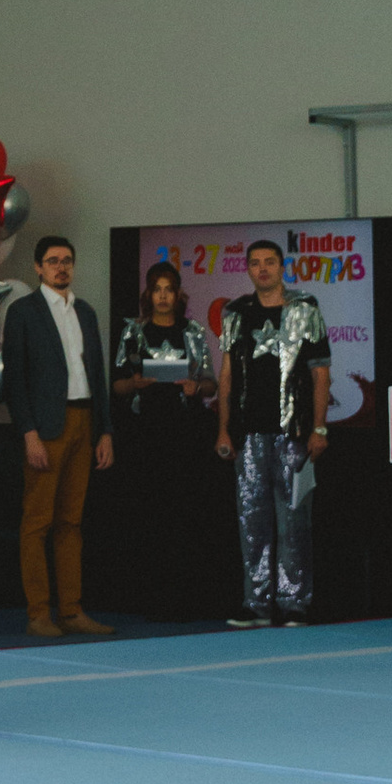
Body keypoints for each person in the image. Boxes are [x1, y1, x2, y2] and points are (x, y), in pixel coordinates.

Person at [3, 236, 116, 642]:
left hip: (84, 419)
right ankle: (39, 613)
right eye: (52, 261)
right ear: (38, 268)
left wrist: (105, 430)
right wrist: (28, 433)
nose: (61, 267)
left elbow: (97, 374)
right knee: (38, 522)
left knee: (71, 521)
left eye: (67, 260)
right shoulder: (24, 311)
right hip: (46, 426)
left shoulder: (84, 311)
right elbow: (15, 378)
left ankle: (71, 610)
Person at [216, 239, 331, 629]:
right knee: (252, 520)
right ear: (247, 269)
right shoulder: (236, 313)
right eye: (255, 263)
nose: (262, 268)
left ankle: (294, 602)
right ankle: (256, 603)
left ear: (283, 266)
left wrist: (319, 428)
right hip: (248, 434)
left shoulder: (305, 308)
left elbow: (320, 373)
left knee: (294, 520)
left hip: (294, 432)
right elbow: (227, 374)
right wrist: (223, 429)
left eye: (269, 262)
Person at [111, 260, 220, 623]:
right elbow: (116, 385)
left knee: (183, 515)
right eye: (156, 289)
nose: (162, 296)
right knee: (149, 516)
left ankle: (183, 597)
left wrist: (195, 387)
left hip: (184, 435)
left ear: (178, 294)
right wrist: (135, 383)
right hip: (144, 435)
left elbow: (211, 383)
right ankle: (149, 597)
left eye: (168, 289)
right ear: (148, 294)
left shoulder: (192, 331)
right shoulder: (134, 332)